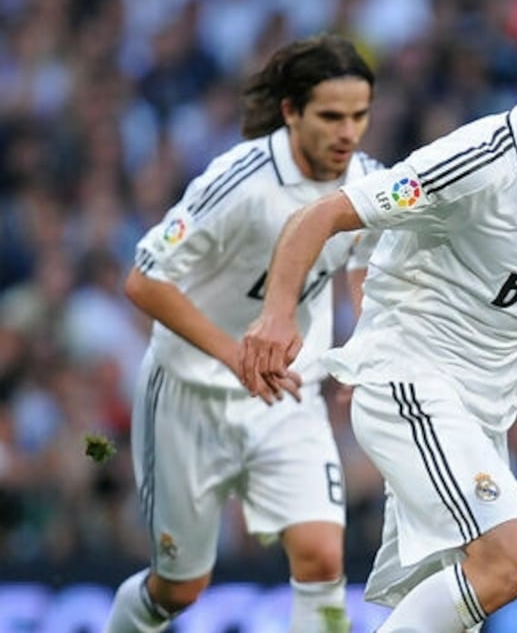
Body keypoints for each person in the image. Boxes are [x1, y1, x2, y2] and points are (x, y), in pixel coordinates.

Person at [238, 8, 517, 632]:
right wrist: (277, 317)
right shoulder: (476, 162)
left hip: (481, 418)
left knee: (463, 610)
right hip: (413, 387)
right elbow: (321, 216)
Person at [107, 34, 381, 633]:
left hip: (287, 395)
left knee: (323, 555)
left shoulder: (366, 179)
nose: (348, 133)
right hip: (188, 397)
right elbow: (142, 281)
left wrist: (367, 348)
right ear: (291, 112)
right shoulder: (238, 181)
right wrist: (235, 356)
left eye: (359, 116)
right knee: (178, 589)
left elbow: (367, 255)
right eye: (331, 116)